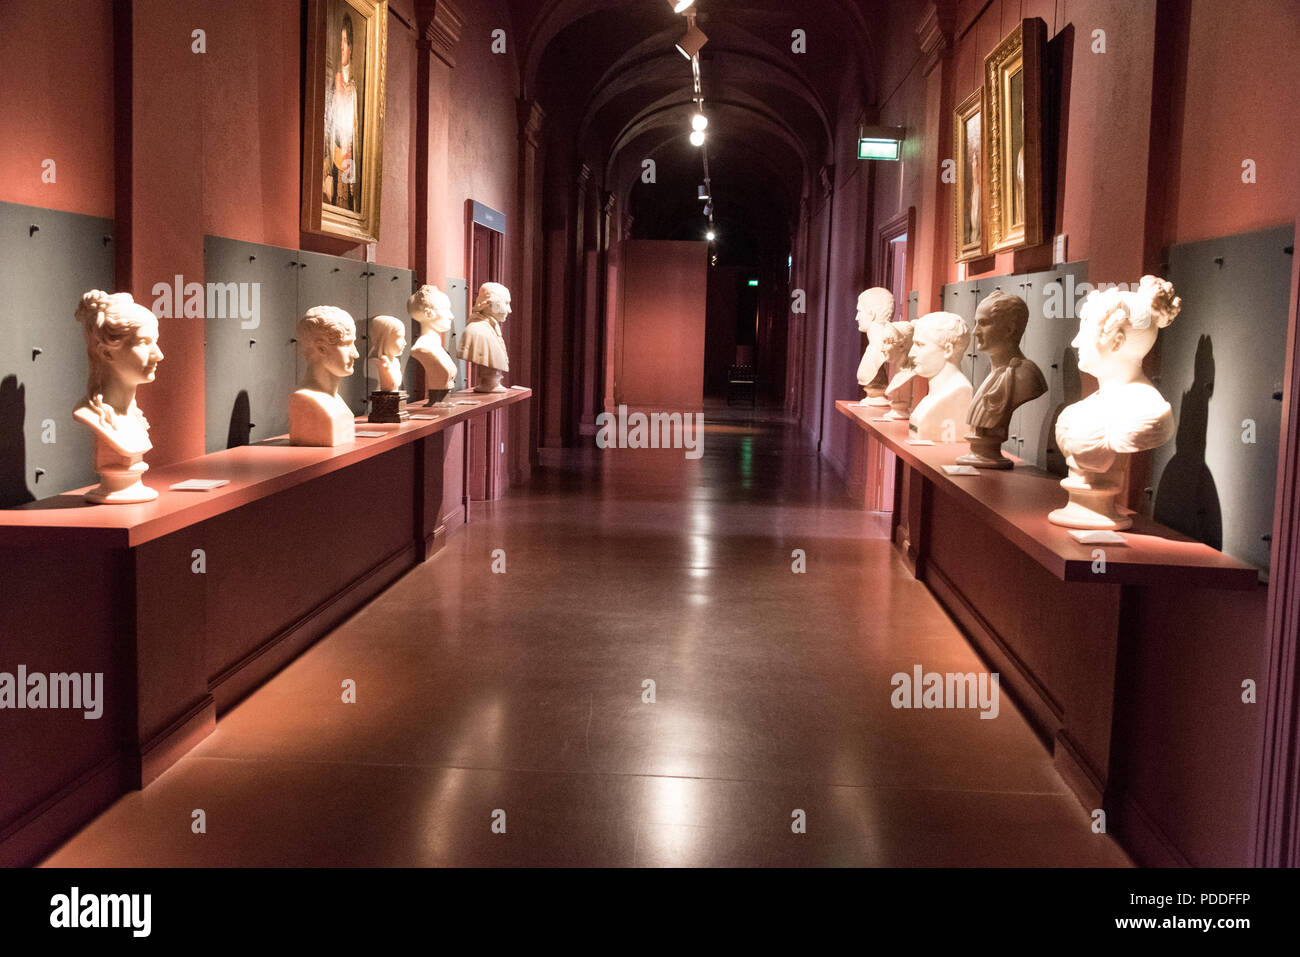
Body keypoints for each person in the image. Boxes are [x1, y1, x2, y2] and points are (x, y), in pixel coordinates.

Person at [1049, 276, 1181, 529]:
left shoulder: (1147, 410)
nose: (1076, 342)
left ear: (1117, 341)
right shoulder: (1080, 410)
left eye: (1085, 330)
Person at [73, 290, 165, 503]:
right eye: (144, 342)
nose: (158, 354)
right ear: (106, 353)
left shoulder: (134, 418)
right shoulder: (88, 414)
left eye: (156, 342)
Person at [958, 290, 1046, 468]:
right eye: (976, 323)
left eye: (983, 323)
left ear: (1009, 329)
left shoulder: (1025, 376)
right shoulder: (995, 374)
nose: (975, 332)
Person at [290, 306, 359, 446]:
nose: (356, 354)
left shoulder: (335, 400)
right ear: (321, 348)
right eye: (347, 345)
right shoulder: (305, 399)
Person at [907, 311, 972, 442]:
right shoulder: (932, 397)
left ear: (948, 350)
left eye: (920, 345)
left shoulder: (960, 391)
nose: (911, 353)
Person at [323, 14, 360, 210]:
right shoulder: (333, 83)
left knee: (346, 206)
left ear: (351, 47)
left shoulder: (352, 89)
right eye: (340, 41)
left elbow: (352, 138)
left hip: (346, 160)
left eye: (345, 41)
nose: (342, 46)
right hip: (333, 155)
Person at [408, 285, 458, 403]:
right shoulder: (423, 348)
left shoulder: (437, 347)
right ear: (428, 313)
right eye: (446, 309)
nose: (451, 315)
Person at [458, 282, 511, 393]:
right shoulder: (477, 331)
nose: (509, 310)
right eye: (506, 303)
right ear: (492, 304)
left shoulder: (491, 329)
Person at [367, 315, 406, 393]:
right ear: (383, 338)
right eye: (399, 337)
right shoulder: (374, 363)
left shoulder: (395, 362)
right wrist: (385, 369)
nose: (405, 343)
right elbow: (388, 387)